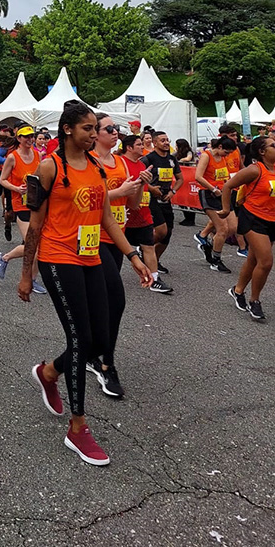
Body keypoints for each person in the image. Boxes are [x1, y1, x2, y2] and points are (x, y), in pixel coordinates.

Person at [18, 100, 151, 466]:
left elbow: (108, 219)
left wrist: (135, 257)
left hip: (92, 256)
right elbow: (36, 224)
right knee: (80, 339)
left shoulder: (95, 166)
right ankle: (78, 429)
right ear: (68, 130)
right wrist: (27, 273)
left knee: (97, 338)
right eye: (88, 129)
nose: (94, 134)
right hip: (58, 259)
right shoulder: (49, 167)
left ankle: (49, 372)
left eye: (97, 128)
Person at [86, 114, 146, 397]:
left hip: (117, 237)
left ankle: (90, 351)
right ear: (94, 133)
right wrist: (119, 190)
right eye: (110, 128)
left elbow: (131, 204)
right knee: (116, 299)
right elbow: (86, 199)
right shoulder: (87, 162)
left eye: (117, 129)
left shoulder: (120, 162)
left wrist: (139, 186)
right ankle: (106, 364)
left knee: (104, 300)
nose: (116, 132)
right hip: (93, 237)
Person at [219, 136, 275, 321]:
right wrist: (226, 209)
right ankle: (255, 301)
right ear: (262, 152)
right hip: (253, 218)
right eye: (273, 145)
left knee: (254, 259)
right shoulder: (254, 170)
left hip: (272, 220)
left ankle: (238, 291)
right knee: (266, 262)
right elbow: (228, 186)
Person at [0, 126, 44, 292]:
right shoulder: (12, 157)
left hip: (37, 204)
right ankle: (5, 258)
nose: (30, 139)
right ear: (19, 139)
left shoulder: (38, 155)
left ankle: (32, 279)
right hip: (21, 205)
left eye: (31, 136)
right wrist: (16, 188)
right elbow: (2, 180)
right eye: (26, 137)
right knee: (33, 245)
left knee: (39, 245)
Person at [121, 135, 172, 293]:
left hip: (143, 212)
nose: (142, 147)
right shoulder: (120, 164)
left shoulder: (142, 165)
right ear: (129, 148)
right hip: (123, 215)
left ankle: (154, 279)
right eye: (138, 145)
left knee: (148, 246)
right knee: (112, 250)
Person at [194, 136, 239, 273]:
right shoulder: (207, 156)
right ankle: (216, 260)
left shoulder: (223, 157)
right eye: (226, 152)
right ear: (219, 147)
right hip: (209, 195)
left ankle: (205, 240)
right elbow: (198, 176)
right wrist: (213, 189)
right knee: (223, 229)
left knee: (232, 227)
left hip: (223, 194)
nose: (228, 155)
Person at [142, 131, 183, 274]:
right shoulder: (148, 159)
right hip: (151, 199)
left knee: (168, 234)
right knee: (161, 231)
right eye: (162, 140)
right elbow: (137, 178)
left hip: (166, 198)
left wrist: (173, 192)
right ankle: (144, 248)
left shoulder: (172, 159)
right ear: (154, 143)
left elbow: (180, 179)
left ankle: (155, 260)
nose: (166, 143)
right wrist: (151, 188)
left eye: (167, 140)